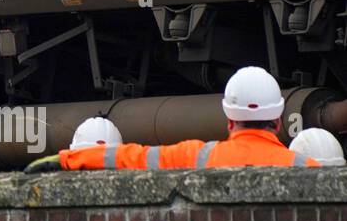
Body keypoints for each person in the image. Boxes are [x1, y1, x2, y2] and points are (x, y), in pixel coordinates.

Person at [25, 66, 320, 172]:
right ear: (278, 121)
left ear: (230, 121)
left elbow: (132, 158)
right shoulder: (309, 168)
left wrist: (66, 159)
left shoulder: (198, 156)